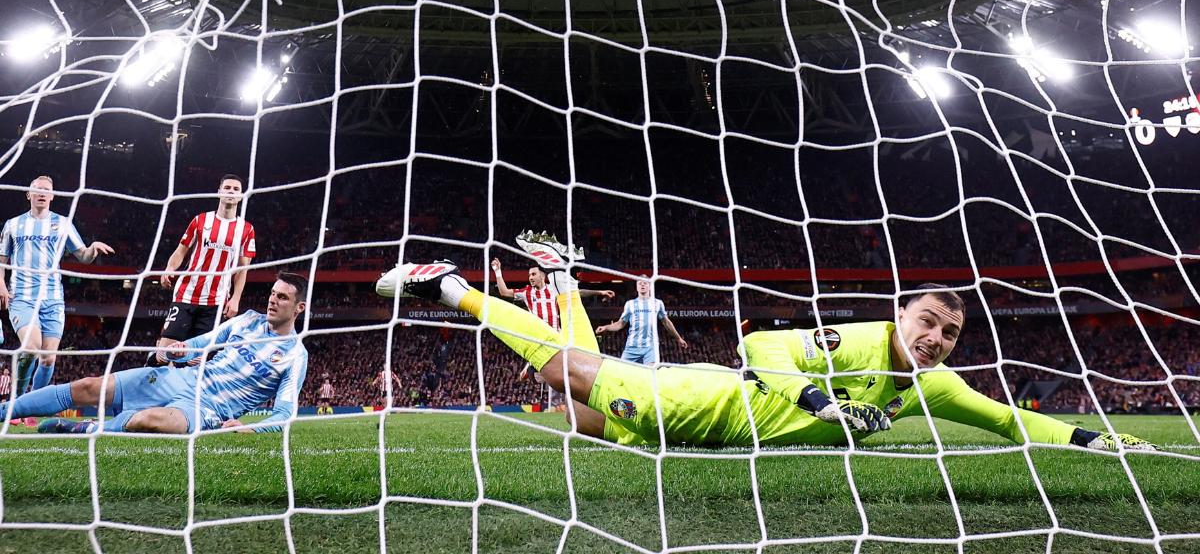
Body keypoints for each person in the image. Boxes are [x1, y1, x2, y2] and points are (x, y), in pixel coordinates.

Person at [376, 263, 1156, 453]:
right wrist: (822, 403)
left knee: (576, 417)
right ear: (900, 316)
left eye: (948, 334)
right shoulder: (857, 341)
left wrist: (1097, 440)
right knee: (563, 371)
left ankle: (560, 281)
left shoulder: (935, 384)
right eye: (927, 323)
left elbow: (1008, 419)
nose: (935, 340)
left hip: (705, 434)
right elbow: (759, 345)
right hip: (702, 406)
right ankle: (452, 288)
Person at [3, 272, 308, 435]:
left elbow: (284, 413)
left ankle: (85, 428)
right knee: (88, 386)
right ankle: (5, 412)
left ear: (299, 308)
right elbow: (203, 343)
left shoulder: (296, 354)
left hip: (207, 408)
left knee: (150, 421)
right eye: (272, 293)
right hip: (182, 378)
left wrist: (251, 429)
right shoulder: (248, 319)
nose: (273, 300)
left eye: (282, 297)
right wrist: (178, 350)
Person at [0, 176, 114, 399]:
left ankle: (33, 405)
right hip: (22, 297)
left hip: (53, 299)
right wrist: (1, 286)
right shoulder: (13, 224)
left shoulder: (63, 224)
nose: (42, 193)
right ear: (28, 194)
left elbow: (83, 256)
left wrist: (92, 248)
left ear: (52, 196)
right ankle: (18, 401)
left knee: (49, 358)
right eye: (37, 189)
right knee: (32, 347)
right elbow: (2, 259)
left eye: (46, 190)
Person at [153, 174, 256, 365]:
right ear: (219, 192)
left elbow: (243, 269)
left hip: (216, 301)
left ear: (241, 196)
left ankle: (182, 393)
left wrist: (236, 298)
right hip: (187, 293)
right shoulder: (200, 220)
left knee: (196, 361)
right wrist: (169, 268)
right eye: (227, 188)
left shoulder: (246, 229)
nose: (231, 192)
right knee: (164, 354)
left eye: (235, 189)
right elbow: (181, 250)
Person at [492, 257, 614, 403]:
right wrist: (497, 271)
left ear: (542, 276)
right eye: (529, 275)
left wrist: (600, 292)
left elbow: (578, 292)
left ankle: (533, 369)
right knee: (552, 371)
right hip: (539, 340)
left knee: (574, 364)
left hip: (558, 337)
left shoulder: (553, 289)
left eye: (533, 274)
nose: (530, 278)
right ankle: (533, 368)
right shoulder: (527, 292)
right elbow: (504, 292)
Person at [596, 277, 688, 364]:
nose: (642, 285)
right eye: (640, 283)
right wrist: (606, 327)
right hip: (632, 347)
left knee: (650, 375)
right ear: (637, 287)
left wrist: (678, 338)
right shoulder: (630, 304)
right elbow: (620, 324)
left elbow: (666, 322)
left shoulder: (658, 303)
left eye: (645, 283)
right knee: (623, 373)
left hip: (650, 347)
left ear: (650, 286)